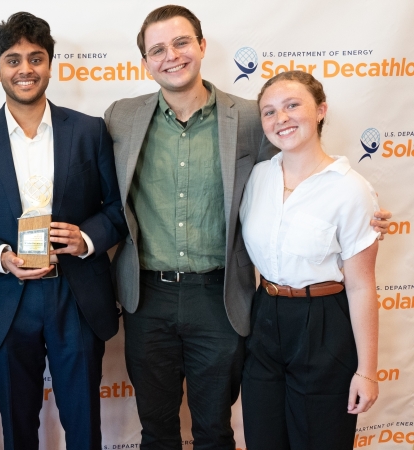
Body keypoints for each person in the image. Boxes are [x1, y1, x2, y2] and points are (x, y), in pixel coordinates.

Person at [103, 5, 391, 449]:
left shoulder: (252, 118)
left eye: (181, 42)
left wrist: (357, 210)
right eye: (157, 49)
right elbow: (98, 191)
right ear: (145, 62)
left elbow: (300, 160)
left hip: (219, 297)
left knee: (216, 429)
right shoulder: (120, 117)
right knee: (156, 429)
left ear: (201, 46)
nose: (171, 56)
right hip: (148, 295)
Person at [0, 12, 127, 450]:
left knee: (84, 425)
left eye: (35, 58)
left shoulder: (89, 130)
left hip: (77, 294)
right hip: (7, 299)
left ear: (50, 64)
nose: (25, 69)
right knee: (17, 427)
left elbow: (117, 211)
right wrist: (0, 257)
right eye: (13, 59)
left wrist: (85, 239)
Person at [239, 70, 379, 449]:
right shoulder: (257, 178)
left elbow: (363, 284)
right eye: (268, 112)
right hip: (265, 316)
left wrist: (367, 371)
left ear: (320, 110)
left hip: (323, 323)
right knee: (263, 438)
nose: (280, 118)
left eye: (291, 105)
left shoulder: (351, 189)